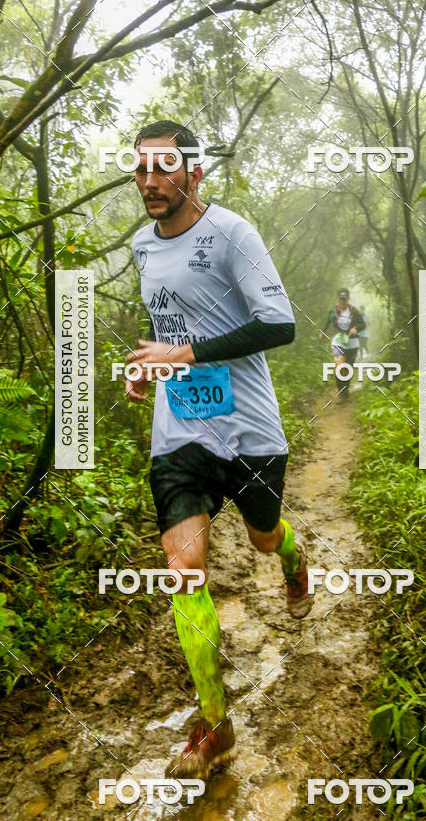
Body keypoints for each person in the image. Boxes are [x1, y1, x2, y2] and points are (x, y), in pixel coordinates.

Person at [124, 120, 314, 781]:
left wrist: (185, 353)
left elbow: (279, 325)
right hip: (180, 433)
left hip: (249, 430)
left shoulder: (233, 234)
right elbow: (169, 322)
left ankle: (291, 557)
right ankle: (214, 721)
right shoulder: (141, 245)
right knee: (183, 570)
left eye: (164, 167)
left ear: (194, 173)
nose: (150, 181)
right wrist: (151, 365)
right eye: (140, 168)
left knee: (262, 539)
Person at [319, 288, 365, 401]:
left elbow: (363, 324)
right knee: (340, 366)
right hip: (338, 342)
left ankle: (345, 392)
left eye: (344, 299)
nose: (342, 302)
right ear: (338, 299)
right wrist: (322, 332)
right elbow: (327, 323)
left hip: (352, 343)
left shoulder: (354, 311)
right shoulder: (333, 311)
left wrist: (356, 328)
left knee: (347, 368)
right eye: (341, 299)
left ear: (348, 299)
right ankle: (341, 394)